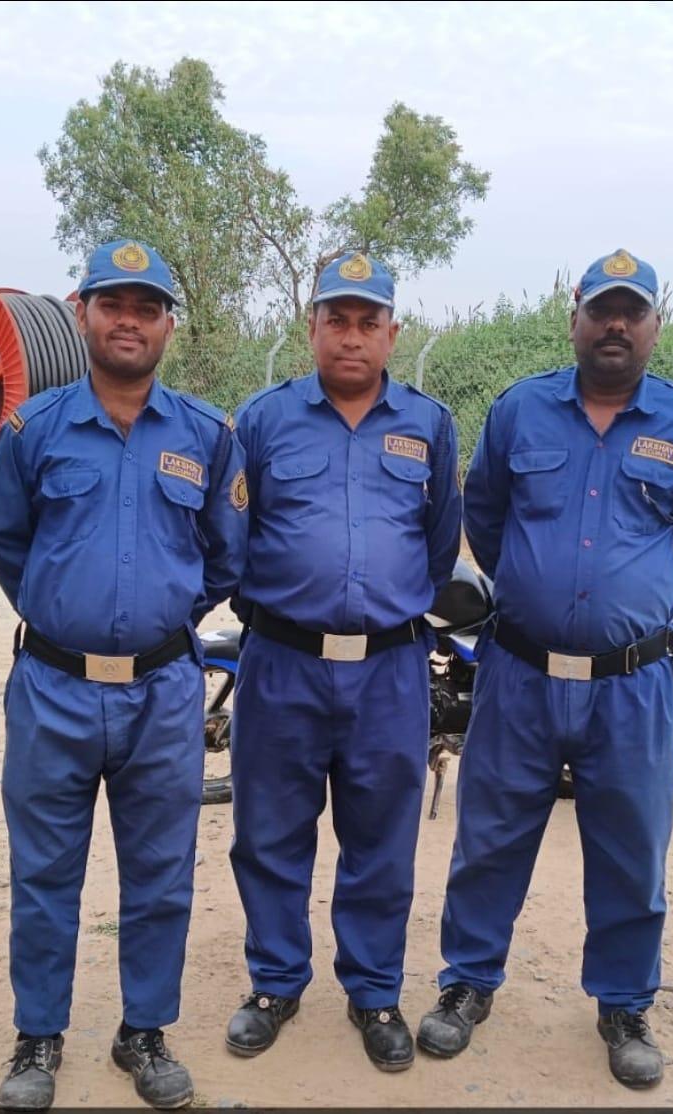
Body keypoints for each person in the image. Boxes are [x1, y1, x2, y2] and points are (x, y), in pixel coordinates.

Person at [416, 250, 673, 1088]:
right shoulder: (521, 411)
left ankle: (624, 1003)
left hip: (630, 684)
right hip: (519, 675)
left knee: (631, 849)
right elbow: (485, 514)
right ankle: (467, 984)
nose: (616, 326)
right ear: (576, 319)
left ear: (655, 325)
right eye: (602, 310)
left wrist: (630, 599)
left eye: (633, 312)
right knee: (490, 839)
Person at [0, 239, 248, 1110]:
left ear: (170, 321)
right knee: (46, 871)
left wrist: (151, 621)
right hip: (54, 688)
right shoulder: (32, 430)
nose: (128, 320)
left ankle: (144, 1031)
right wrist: (73, 614)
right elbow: (9, 547)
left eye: (147, 306)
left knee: (161, 870)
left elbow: (223, 559)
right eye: (112, 303)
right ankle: (38, 1036)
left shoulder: (208, 436)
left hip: (164, 692)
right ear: (81, 310)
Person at [225, 252, 462, 1072]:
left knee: (381, 837)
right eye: (338, 319)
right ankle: (275, 984)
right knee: (268, 833)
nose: (352, 337)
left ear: (393, 332)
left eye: (370, 322)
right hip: (282, 662)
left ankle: (373, 992)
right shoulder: (260, 421)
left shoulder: (429, 425)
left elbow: (440, 551)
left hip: (390, 670)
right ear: (312, 326)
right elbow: (233, 542)